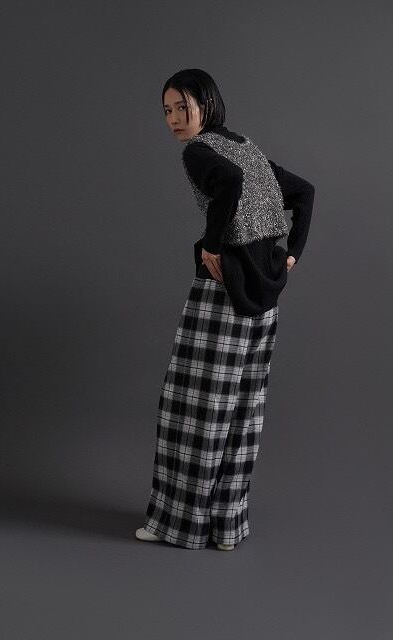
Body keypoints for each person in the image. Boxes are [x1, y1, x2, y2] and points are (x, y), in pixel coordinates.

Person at [136, 69, 315, 551]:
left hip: (223, 293)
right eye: (167, 110)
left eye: (183, 106)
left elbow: (231, 184)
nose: (174, 119)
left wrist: (211, 245)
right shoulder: (246, 146)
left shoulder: (198, 151)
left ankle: (181, 525)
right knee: (242, 410)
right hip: (265, 294)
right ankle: (226, 528)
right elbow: (304, 191)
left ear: (207, 103)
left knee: (194, 407)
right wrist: (293, 251)